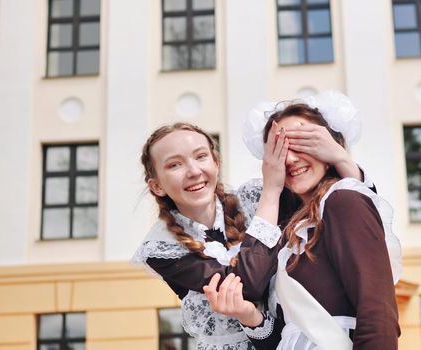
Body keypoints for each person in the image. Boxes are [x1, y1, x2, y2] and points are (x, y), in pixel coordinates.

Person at [132, 119, 369, 349]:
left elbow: (333, 200)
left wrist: (339, 156)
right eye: (175, 165)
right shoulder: (162, 248)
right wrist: (271, 192)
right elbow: (248, 285)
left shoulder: (254, 197)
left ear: (216, 162)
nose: (194, 171)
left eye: (201, 156)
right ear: (157, 186)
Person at [203, 92, 402, 350]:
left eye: (302, 144)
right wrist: (248, 316)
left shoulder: (343, 201)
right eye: (279, 150)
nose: (291, 159)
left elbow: (378, 313)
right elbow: (288, 336)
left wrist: (341, 158)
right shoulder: (289, 232)